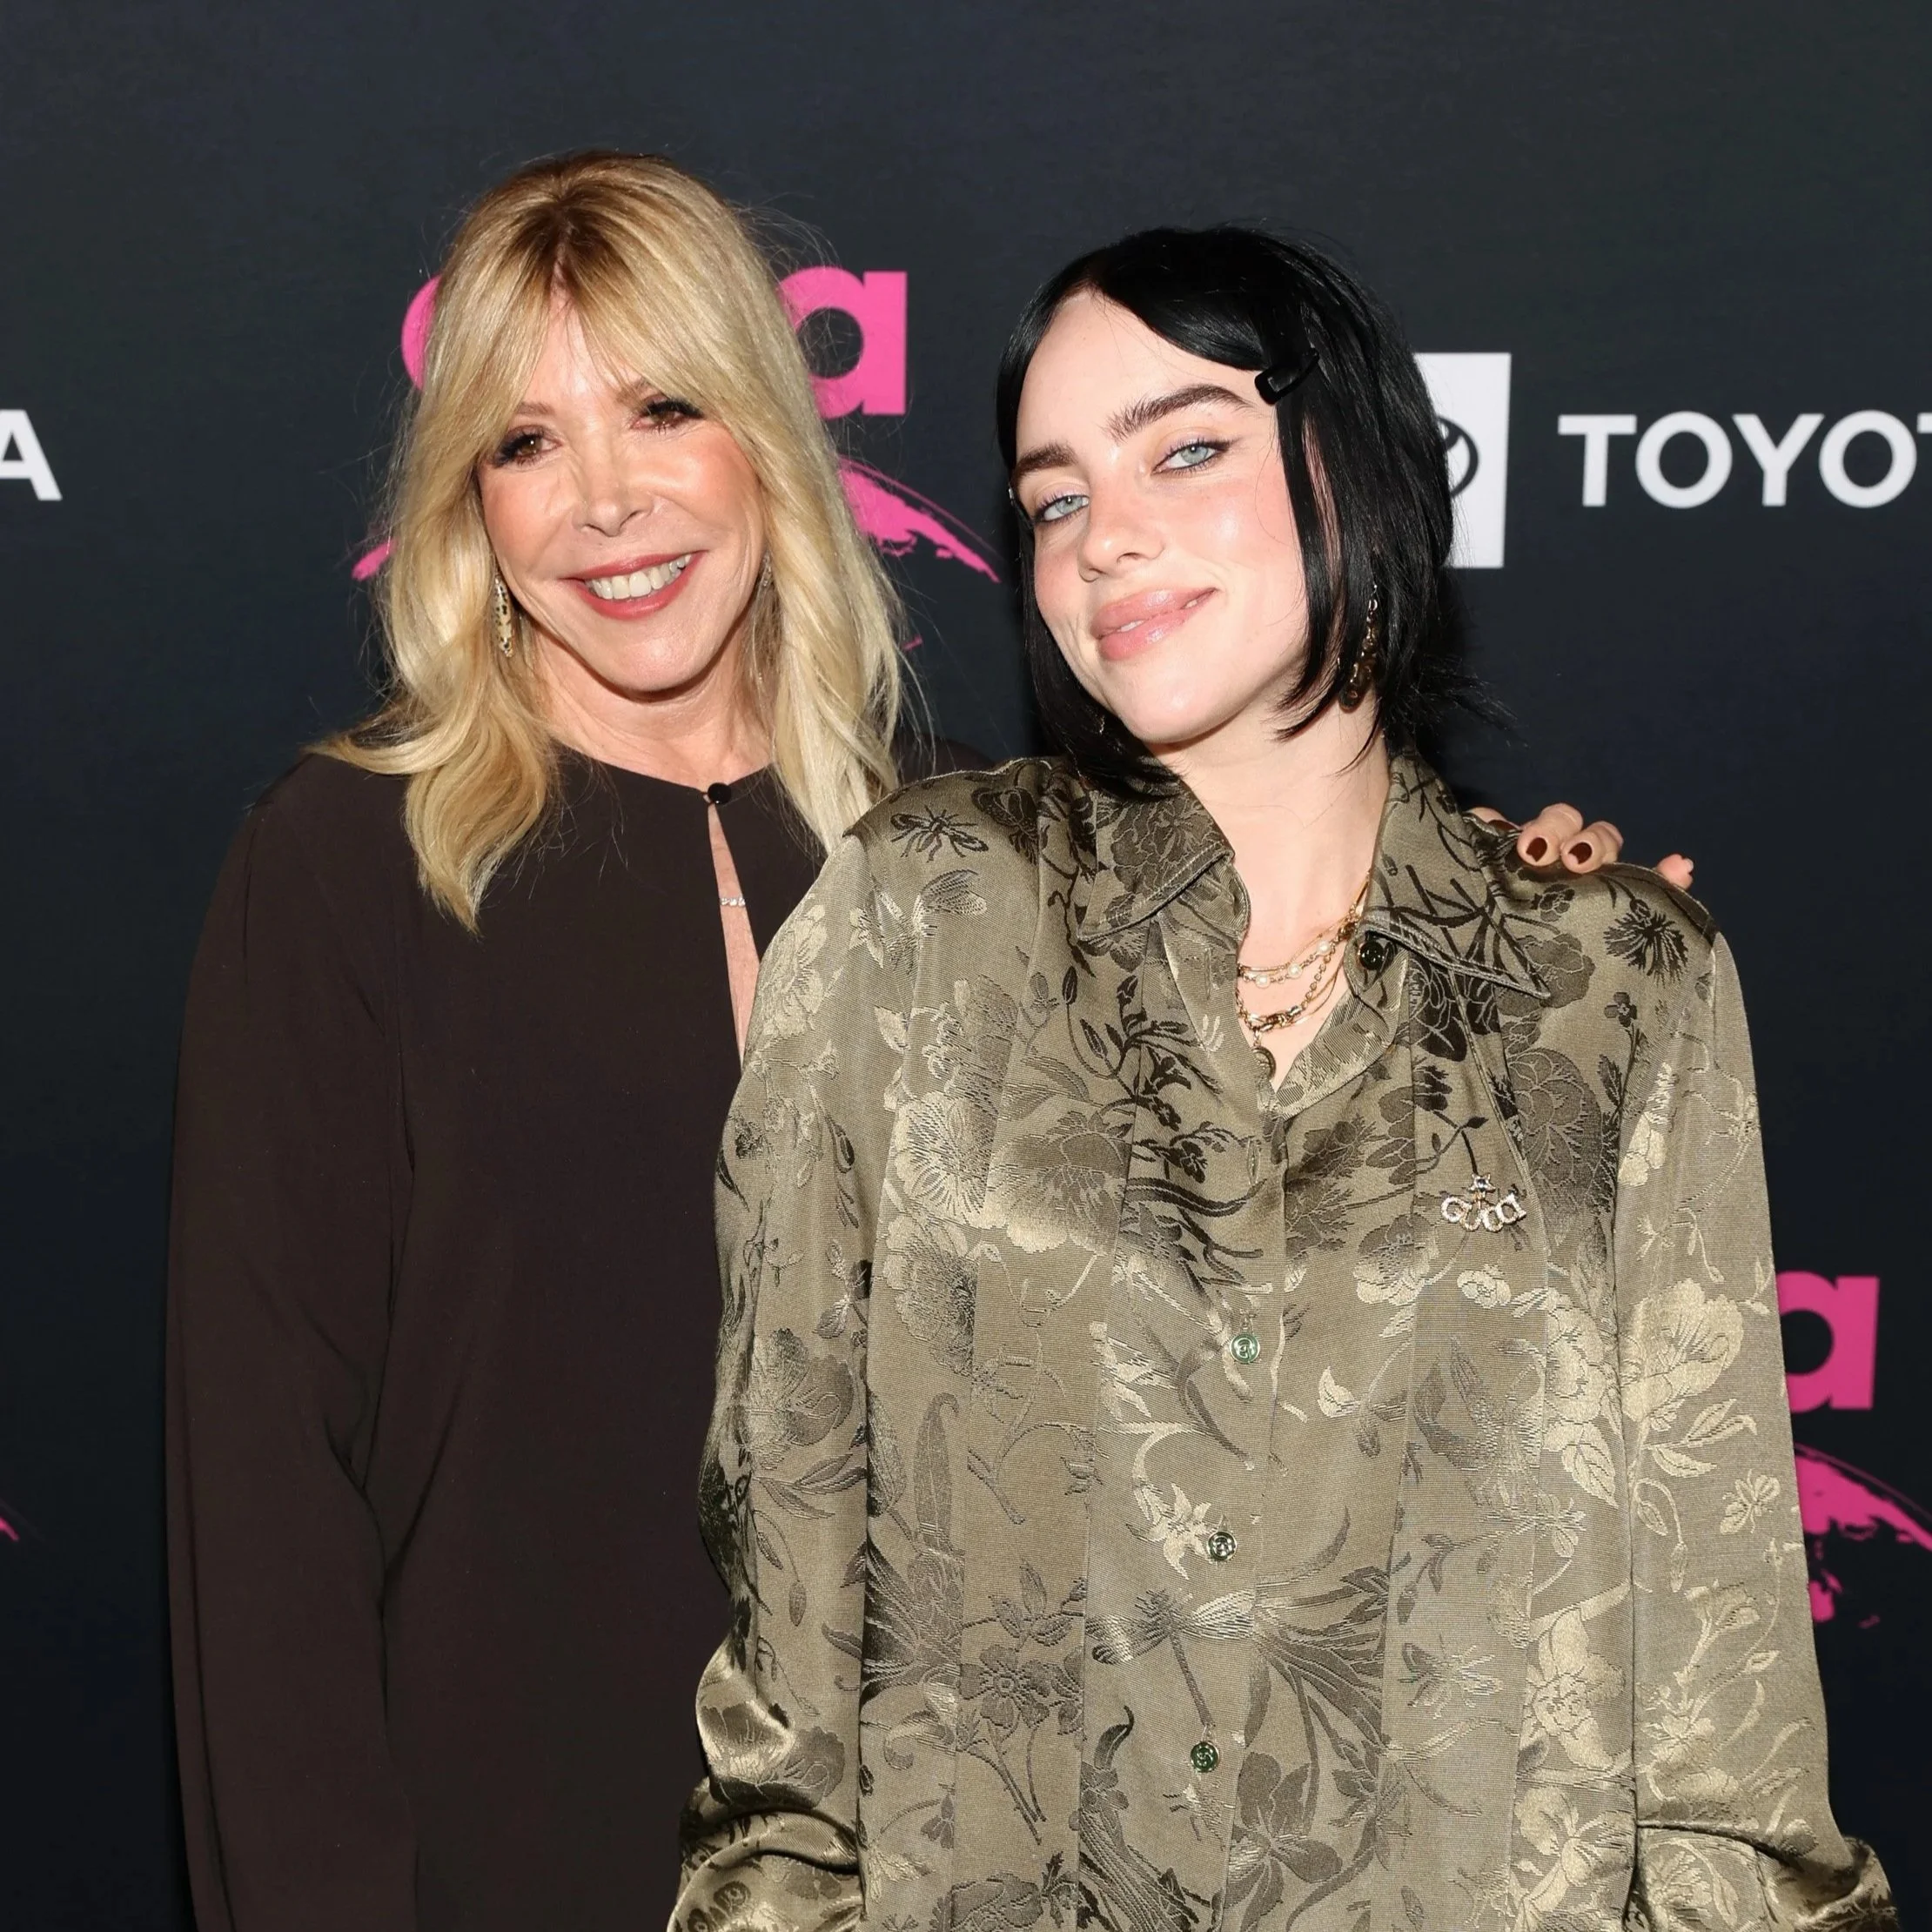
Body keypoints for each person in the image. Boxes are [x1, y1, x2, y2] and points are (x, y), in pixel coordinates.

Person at [165, 150, 1651, 1930]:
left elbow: (1280, 1246)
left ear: (769, 436)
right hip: (507, 1849)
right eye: (526, 441)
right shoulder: (353, 870)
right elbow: (262, 1503)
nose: (607, 502)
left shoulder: (990, 860)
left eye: (663, 409)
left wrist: (1514, 920)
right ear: (470, 504)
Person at [680, 228, 1892, 1931]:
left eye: (1184, 450)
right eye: (1053, 497)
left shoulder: (1616, 986)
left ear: (1359, 464)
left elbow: (1722, 1713)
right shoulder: (916, 924)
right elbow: (789, 1654)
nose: (1106, 535)